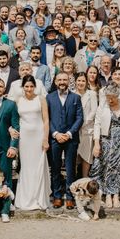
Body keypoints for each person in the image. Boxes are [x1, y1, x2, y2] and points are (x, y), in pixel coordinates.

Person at [90, 83, 120, 209]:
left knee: (119, 167)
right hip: (106, 141)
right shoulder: (102, 106)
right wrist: (96, 143)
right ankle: (108, 194)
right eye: (107, 97)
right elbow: (97, 124)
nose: (110, 100)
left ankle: (115, 194)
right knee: (107, 167)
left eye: (112, 97)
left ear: (117, 95)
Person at [46, 72, 84, 209]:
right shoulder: (49, 97)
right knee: (55, 168)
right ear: (55, 82)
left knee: (70, 169)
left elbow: (80, 118)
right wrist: (55, 134)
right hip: (55, 138)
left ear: (69, 81)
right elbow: (47, 118)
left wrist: (69, 133)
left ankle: (69, 196)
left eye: (64, 79)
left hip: (71, 138)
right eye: (59, 80)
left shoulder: (76, 97)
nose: (62, 82)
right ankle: (57, 196)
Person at [14, 76, 51, 211]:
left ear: (35, 86)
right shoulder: (18, 101)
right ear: (22, 87)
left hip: (38, 137)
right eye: (26, 86)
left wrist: (45, 138)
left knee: (38, 166)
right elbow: (14, 119)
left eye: (31, 86)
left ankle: (38, 198)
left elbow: (46, 120)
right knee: (26, 167)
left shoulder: (41, 99)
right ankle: (25, 198)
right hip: (24, 138)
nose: (29, 89)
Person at [75, 72, 98, 178]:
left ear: (86, 82)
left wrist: (82, 123)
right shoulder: (71, 94)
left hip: (87, 130)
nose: (81, 83)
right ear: (75, 81)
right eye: (79, 80)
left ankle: (85, 179)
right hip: (74, 131)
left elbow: (94, 111)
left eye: (83, 81)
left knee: (86, 157)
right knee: (74, 157)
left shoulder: (91, 94)